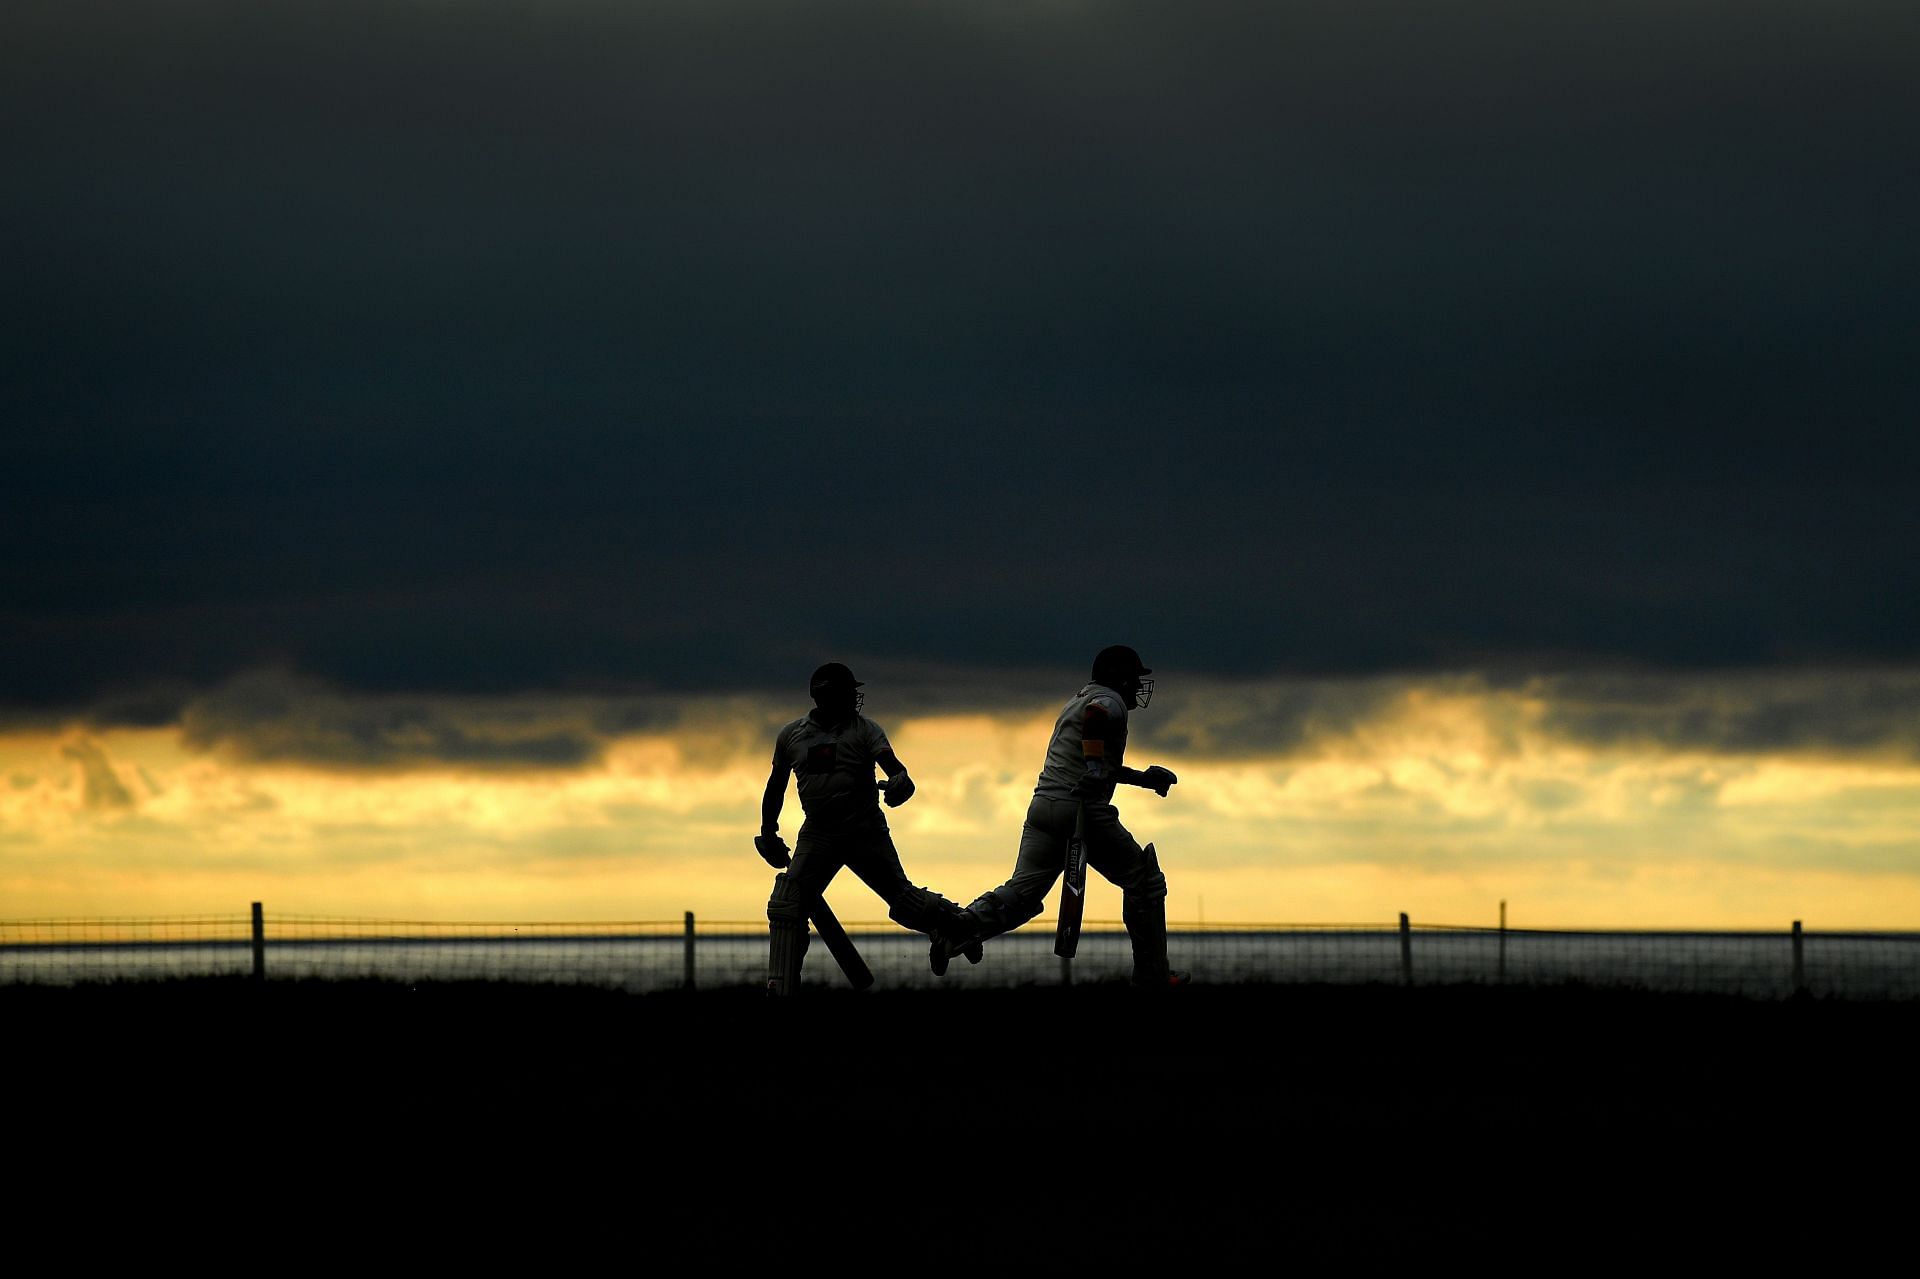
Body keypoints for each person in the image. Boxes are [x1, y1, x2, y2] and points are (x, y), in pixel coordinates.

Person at [931, 645, 1189, 987]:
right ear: (1119, 679)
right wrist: (1096, 767)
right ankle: (1152, 975)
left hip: (1043, 808)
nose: (1137, 688)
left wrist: (1142, 778)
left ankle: (957, 931)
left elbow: (1087, 760)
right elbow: (1096, 724)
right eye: (1134, 680)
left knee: (1022, 893)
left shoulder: (1076, 700)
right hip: (1082, 811)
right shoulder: (1107, 701)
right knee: (1144, 882)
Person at [756, 662, 975, 995]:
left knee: (904, 901)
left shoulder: (865, 730)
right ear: (824, 696)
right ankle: (781, 989)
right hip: (818, 832)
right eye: (848, 692)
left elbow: (896, 770)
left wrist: (901, 784)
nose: (854, 699)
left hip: (864, 829)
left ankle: (956, 924)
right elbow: (776, 786)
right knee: (788, 904)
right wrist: (768, 832)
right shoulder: (792, 735)